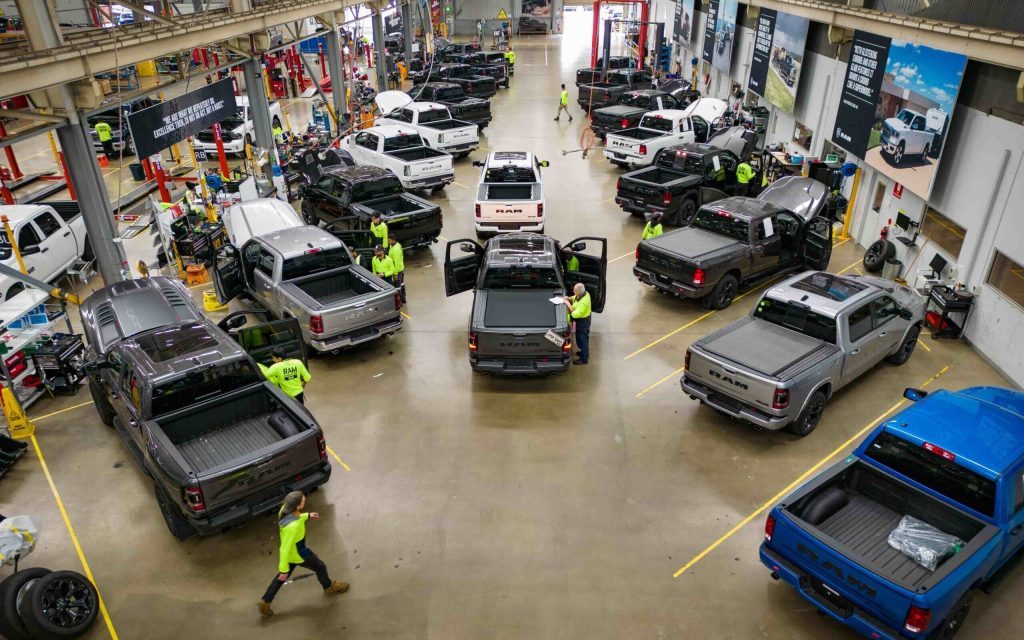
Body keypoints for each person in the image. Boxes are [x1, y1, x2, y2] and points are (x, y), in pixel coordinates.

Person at [258, 491, 349, 617]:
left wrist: (307, 515)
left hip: (291, 555)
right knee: (320, 566)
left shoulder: (284, 511)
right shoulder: (293, 527)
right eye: (302, 501)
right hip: (299, 554)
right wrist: (284, 568)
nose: (304, 501)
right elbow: (284, 548)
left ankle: (265, 602)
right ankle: (329, 587)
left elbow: (296, 517)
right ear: (297, 506)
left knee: (280, 579)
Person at [563, 283, 592, 365]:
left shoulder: (583, 303)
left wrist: (568, 304)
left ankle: (584, 359)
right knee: (582, 339)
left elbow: (575, 314)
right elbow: (575, 297)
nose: (573, 291)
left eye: (574, 291)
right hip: (583, 322)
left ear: (579, 292)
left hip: (583, 323)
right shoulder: (584, 294)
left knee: (583, 341)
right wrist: (568, 298)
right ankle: (584, 352)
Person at [387, 235, 406, 303]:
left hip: (397, 271)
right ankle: (403, 299)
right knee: (401, 284)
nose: (387, 241)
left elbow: (396, 263)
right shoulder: (397, 245)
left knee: (397, 287)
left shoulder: (396, 249)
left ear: (393, 240)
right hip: (401, 269)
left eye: (389, 240)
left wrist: (395, 274)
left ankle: (400, 301)